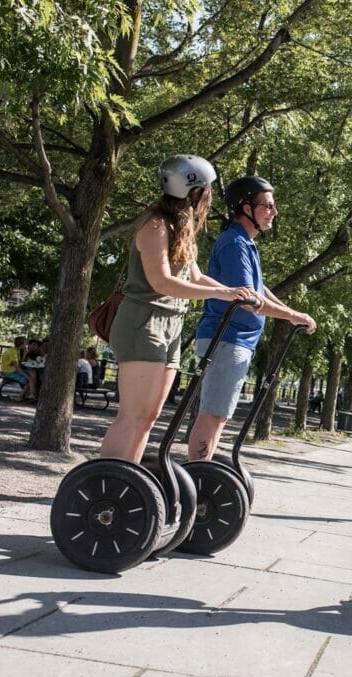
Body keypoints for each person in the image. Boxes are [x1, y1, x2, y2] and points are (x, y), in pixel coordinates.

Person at [100, 155, 259, 464]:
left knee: (148, 416)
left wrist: (237, 293)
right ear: (193, 189)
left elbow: (194, 276)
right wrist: (223, 292)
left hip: (172, 324)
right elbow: (162, 282)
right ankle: (105, 482)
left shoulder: (181, 226)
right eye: (208, 189)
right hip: (144, 322)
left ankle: (127, 480)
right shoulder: (155, 225)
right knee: (133, 414)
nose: (211, 196)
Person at [187, 175, 316, 462]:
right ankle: (198, 476)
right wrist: (293, 315)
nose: (274, 212)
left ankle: (201, 473)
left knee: (218, 415)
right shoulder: (235, 243)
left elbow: (258, 289)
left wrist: (292, 314)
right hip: (227, 337)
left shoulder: (244, 243)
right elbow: (248, 301)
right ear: (245, 207)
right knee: (213, 414)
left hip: (235, 339)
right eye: (267, 206)